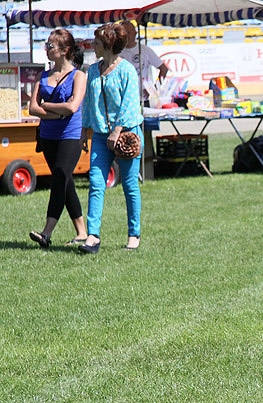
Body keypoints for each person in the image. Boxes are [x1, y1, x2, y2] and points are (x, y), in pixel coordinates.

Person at [79, 23, 144, 254]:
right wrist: (84, 132)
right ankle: (93, 236)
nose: (92, 46)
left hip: (127, 135)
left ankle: (134, 234)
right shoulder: (93, 71)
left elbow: (129, 103)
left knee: (129, 185)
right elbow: (88, 104)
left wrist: (117, 131)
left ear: (107, 44)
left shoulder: (126, 70)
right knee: (96, 183)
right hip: (99, 135)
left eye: (96, 42)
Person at [28, 29, 87, 248]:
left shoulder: (78, 76)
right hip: (48, 136)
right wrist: (56, 112)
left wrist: (47, 106)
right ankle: (81, 232)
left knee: (60, 176)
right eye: (47, 45)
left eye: (51, 46)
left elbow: (72, 107)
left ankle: (46, 232)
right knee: (65, 181)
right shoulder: (43, 76)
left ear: (64, 51)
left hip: (71, 135)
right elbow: (33, 108)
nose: (47, 49)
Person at [118, 21, 168, 105]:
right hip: (122, 99)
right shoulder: (116, 52)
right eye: (123, 33)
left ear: (135, 33)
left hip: (143, 99)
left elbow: (163, 69)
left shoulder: (145, 50)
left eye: (129, 32)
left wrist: (153, 89)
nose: (127, 35)